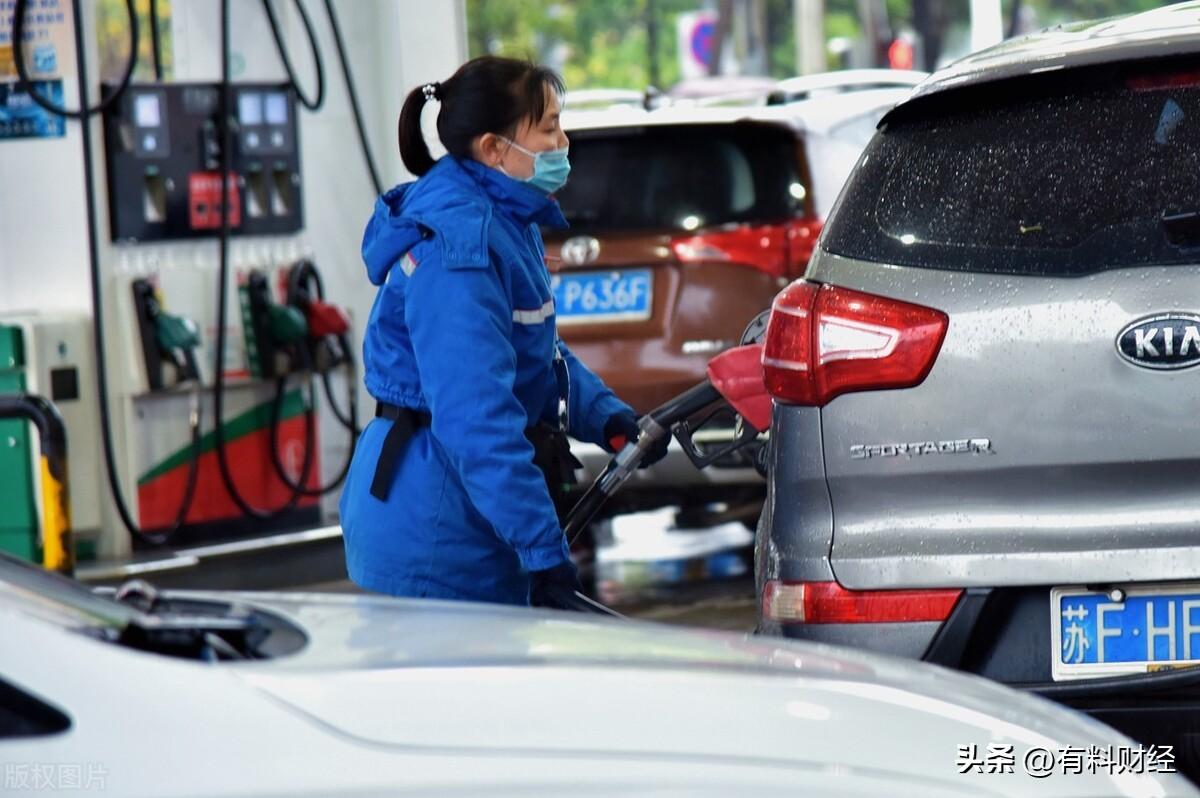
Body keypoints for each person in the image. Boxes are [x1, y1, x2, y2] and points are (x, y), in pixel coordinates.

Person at [339, 56, 668, 608]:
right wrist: (542, 552)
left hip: (460, 511)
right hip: (436, 530)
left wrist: (605, 417)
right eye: (548, 128)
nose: (563, 142)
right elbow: (476, 418)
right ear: (494, 148)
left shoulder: (504, 218)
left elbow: (532, 350)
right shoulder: (459, 249)